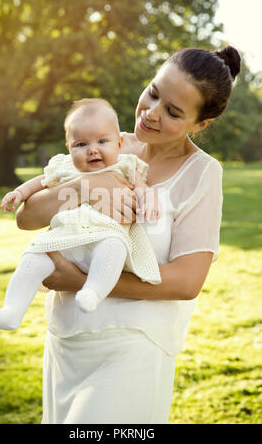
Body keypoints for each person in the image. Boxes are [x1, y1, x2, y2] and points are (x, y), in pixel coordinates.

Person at [16, 46, 241, 424]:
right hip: (67, 338)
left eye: (173, 112)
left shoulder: (201, 173)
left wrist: (83, 281)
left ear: (200, 124)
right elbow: (27, 216)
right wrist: (90, 187)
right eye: (153, 93)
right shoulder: (106, 145)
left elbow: (187, 281)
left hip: (133, 346)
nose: (151, 113)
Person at [0, 98, 163, 331]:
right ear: (69, 148)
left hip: (104, 236)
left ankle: (92, 292)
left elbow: (142, 188)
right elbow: (40, 182)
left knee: (115, 248)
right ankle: (12, 311)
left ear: (119, 144)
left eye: (102, 141)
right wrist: (18, 192)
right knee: (33, 256)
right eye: (81, 144)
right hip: (65, 241)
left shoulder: (126, 165)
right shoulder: (65, 167)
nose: (93, 149)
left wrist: (148, 198)